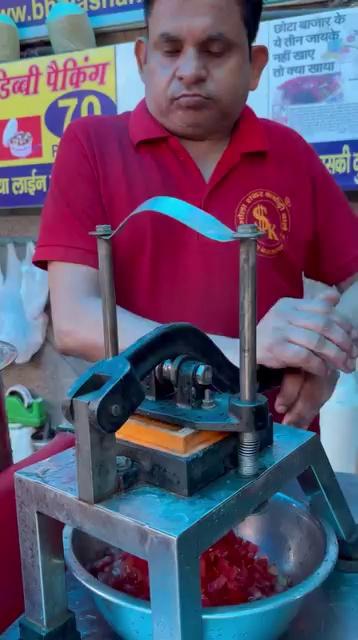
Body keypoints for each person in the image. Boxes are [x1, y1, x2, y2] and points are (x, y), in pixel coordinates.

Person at [33, 0, 358, 429]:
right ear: (142, 59)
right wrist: (244, 351)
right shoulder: (92, 147)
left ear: (254, 64)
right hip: (138, 433)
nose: (189, 70)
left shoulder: (290, 155)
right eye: (170, 50)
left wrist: (322, 356)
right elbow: (75, 321)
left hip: (272, 432)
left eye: (215, 49)